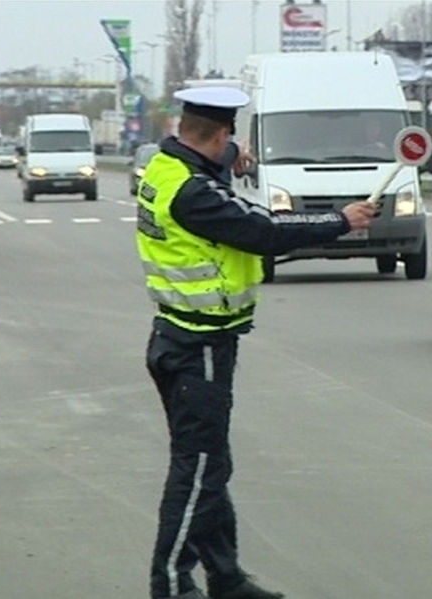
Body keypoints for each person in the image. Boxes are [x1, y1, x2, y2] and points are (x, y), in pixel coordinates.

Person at [136, 86, 376, 599]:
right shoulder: (194, 193)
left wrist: (226, 160)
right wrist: (341, 219)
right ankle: (171, 583)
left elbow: (209, 174)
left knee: (210, 464)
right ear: (223, 133)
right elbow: (261, 229)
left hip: (180, 336)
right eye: (229, 139)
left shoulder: (165, 168)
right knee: (198, 469)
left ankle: (225, 578)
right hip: (196, 342)